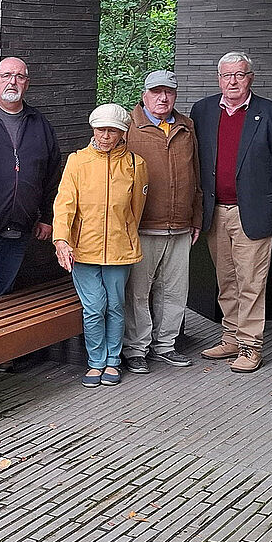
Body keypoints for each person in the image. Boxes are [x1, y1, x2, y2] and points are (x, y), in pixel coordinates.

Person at [191, 51, 272, 373]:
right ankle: (230, 337)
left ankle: (250, 346)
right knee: (226, 280)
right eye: (227, 75)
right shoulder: (202, 111)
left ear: (250, 78)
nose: (233, 81)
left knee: (251, 283)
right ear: (219, 79)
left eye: (239, 75)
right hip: (216, 212)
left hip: (253, 213)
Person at [53, 104, 148, 388]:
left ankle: (113, 361)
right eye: (100, 130)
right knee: (94, 307)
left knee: (116, 306)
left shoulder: (136, 164)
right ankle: (96, 362)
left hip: (120, 250)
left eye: (112, 131)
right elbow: (65, 203)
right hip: (83, 249)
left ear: (122, 133)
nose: (105, 136)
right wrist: (61, 239)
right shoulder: (77, 161)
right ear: (93, 130)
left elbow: (136, 209)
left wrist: (125, 233)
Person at [0, 57, 60, 305]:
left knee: (3, 297)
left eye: (19, 76)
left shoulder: (39, 123)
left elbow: (52, 174)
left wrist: (47, 217)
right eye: (6, 76)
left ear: (27, 83)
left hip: (19, 229)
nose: (12, 82)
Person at [122, 70, 201, 374]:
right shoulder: (129, 127)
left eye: (168, 92)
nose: (163, 98)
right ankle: (136, 348)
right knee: (138, 292)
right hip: (143, 226)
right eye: (156, 92)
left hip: (181, 225)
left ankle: (166, 345)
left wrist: (196, 216)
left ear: (175, 96)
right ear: (144, 95)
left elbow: (196, 174)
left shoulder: (186, 127)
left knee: (174, 291)